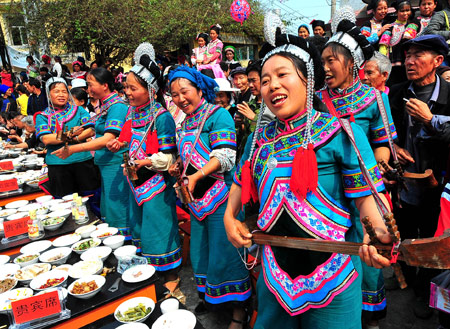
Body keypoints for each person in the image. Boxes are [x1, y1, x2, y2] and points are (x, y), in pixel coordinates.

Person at [224, 25, 391, 329]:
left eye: (282, 75)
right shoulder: (258, 138)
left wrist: (375, 231)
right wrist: (228, 217)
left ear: (308, 78)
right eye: (264, 80)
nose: (272, 85)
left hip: (334, 275)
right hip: (275, 274)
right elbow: (238, 184)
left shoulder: (341, 133)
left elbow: (366, 199)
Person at [319, 7, 398, 327]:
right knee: (336, 256)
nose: (324, 68)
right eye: (321, 62)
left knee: (368, 258)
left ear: (351, 63)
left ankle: (371, 317)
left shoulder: (372, 98)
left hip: (365, 186)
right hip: (328, 191)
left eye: (331, 61)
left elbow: (383, 144)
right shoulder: (316, 99)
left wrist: (376, 165)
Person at [168, 66, 251, 328]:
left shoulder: (218, 116)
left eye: (185, 92)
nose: (180, 99)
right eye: (174, 94)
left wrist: (197, 175)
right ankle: (212, 298)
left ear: (199, 89)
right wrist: (178, 167)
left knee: (226, 254)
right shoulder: (183, 121)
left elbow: (225, 157)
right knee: (202, 254)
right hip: (196, 200)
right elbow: (187, 154)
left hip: (221, 198)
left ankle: (239, 312)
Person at [106, 42, 182, 289]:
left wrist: (146, 161)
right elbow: (128, 138)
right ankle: (149, 274)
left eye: (132, 88)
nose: (127, 92)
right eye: (125, 87)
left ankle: (171, 278)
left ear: (150, 89)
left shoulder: (162, 117)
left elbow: (170, 156)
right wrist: (119, 144)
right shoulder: (132, 114)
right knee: (140, 227)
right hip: (136, 181)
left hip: (157, 184)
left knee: (158, 228)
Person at [388, 34, 450, 319]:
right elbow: (385, 131)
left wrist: (429, 121)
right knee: (403, 231)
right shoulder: (395, 92)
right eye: (408, 56)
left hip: (438, 185)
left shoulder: (449, 95)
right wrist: (394, 148)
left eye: (418, 56)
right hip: (403, 182)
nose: (410, 62)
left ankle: (424, 291)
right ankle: (407, 277)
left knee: (431, 238)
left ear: (437, 61)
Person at [52, 68, 130, 235]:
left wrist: (73, 148)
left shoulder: (117, 107)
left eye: (90, 84)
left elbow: (107, 138)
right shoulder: (106, 105)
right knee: (110, 207)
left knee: (118, 207)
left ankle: (126, 244)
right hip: (107, 164)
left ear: (105, 85)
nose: (87, 89)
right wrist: (76, 138)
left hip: (115, 164)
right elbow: (95, 130)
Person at [35, 77, 99, 197]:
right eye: (56, 91)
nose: (61, 95)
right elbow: (46, 139)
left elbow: (90, 130)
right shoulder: (42, 116)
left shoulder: (79, 110)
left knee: (90, 198)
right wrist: (70, 133)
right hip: (58, 165)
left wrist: (72, 138)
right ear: (49, 95)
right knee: (64, 201)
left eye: (64, 91)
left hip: (83, 161)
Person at [379, 0, 419, 86]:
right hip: (393, 63)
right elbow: (383, 45)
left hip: (408, 62)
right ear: (397, 12)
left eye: (408, 10)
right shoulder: (390, 26)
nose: (405, 13)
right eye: (402, 11)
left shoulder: (413, 24)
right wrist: (383, 61)